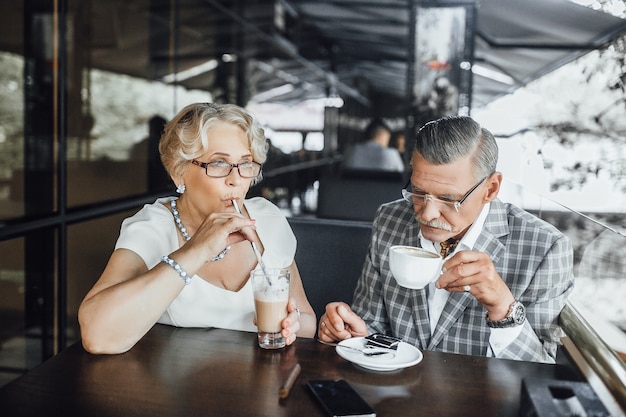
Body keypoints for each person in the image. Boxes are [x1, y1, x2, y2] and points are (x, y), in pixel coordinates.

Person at [318, 115, 574, 363]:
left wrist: (503, 309)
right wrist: (353, 333)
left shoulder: (545, 249)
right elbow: (371, 324)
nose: (427, 214)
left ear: (491, 189)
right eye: (418, 192)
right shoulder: (390, 219)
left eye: (449, 199)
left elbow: (540, 369)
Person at [79, 102, 316, 354]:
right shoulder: (153, 227)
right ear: (179, 172)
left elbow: (307, 322)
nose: (235, 179)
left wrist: (292, 325)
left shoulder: (268, 220)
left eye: (245, 164)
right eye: (218, 163)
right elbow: (97, 335)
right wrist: (196, 250)